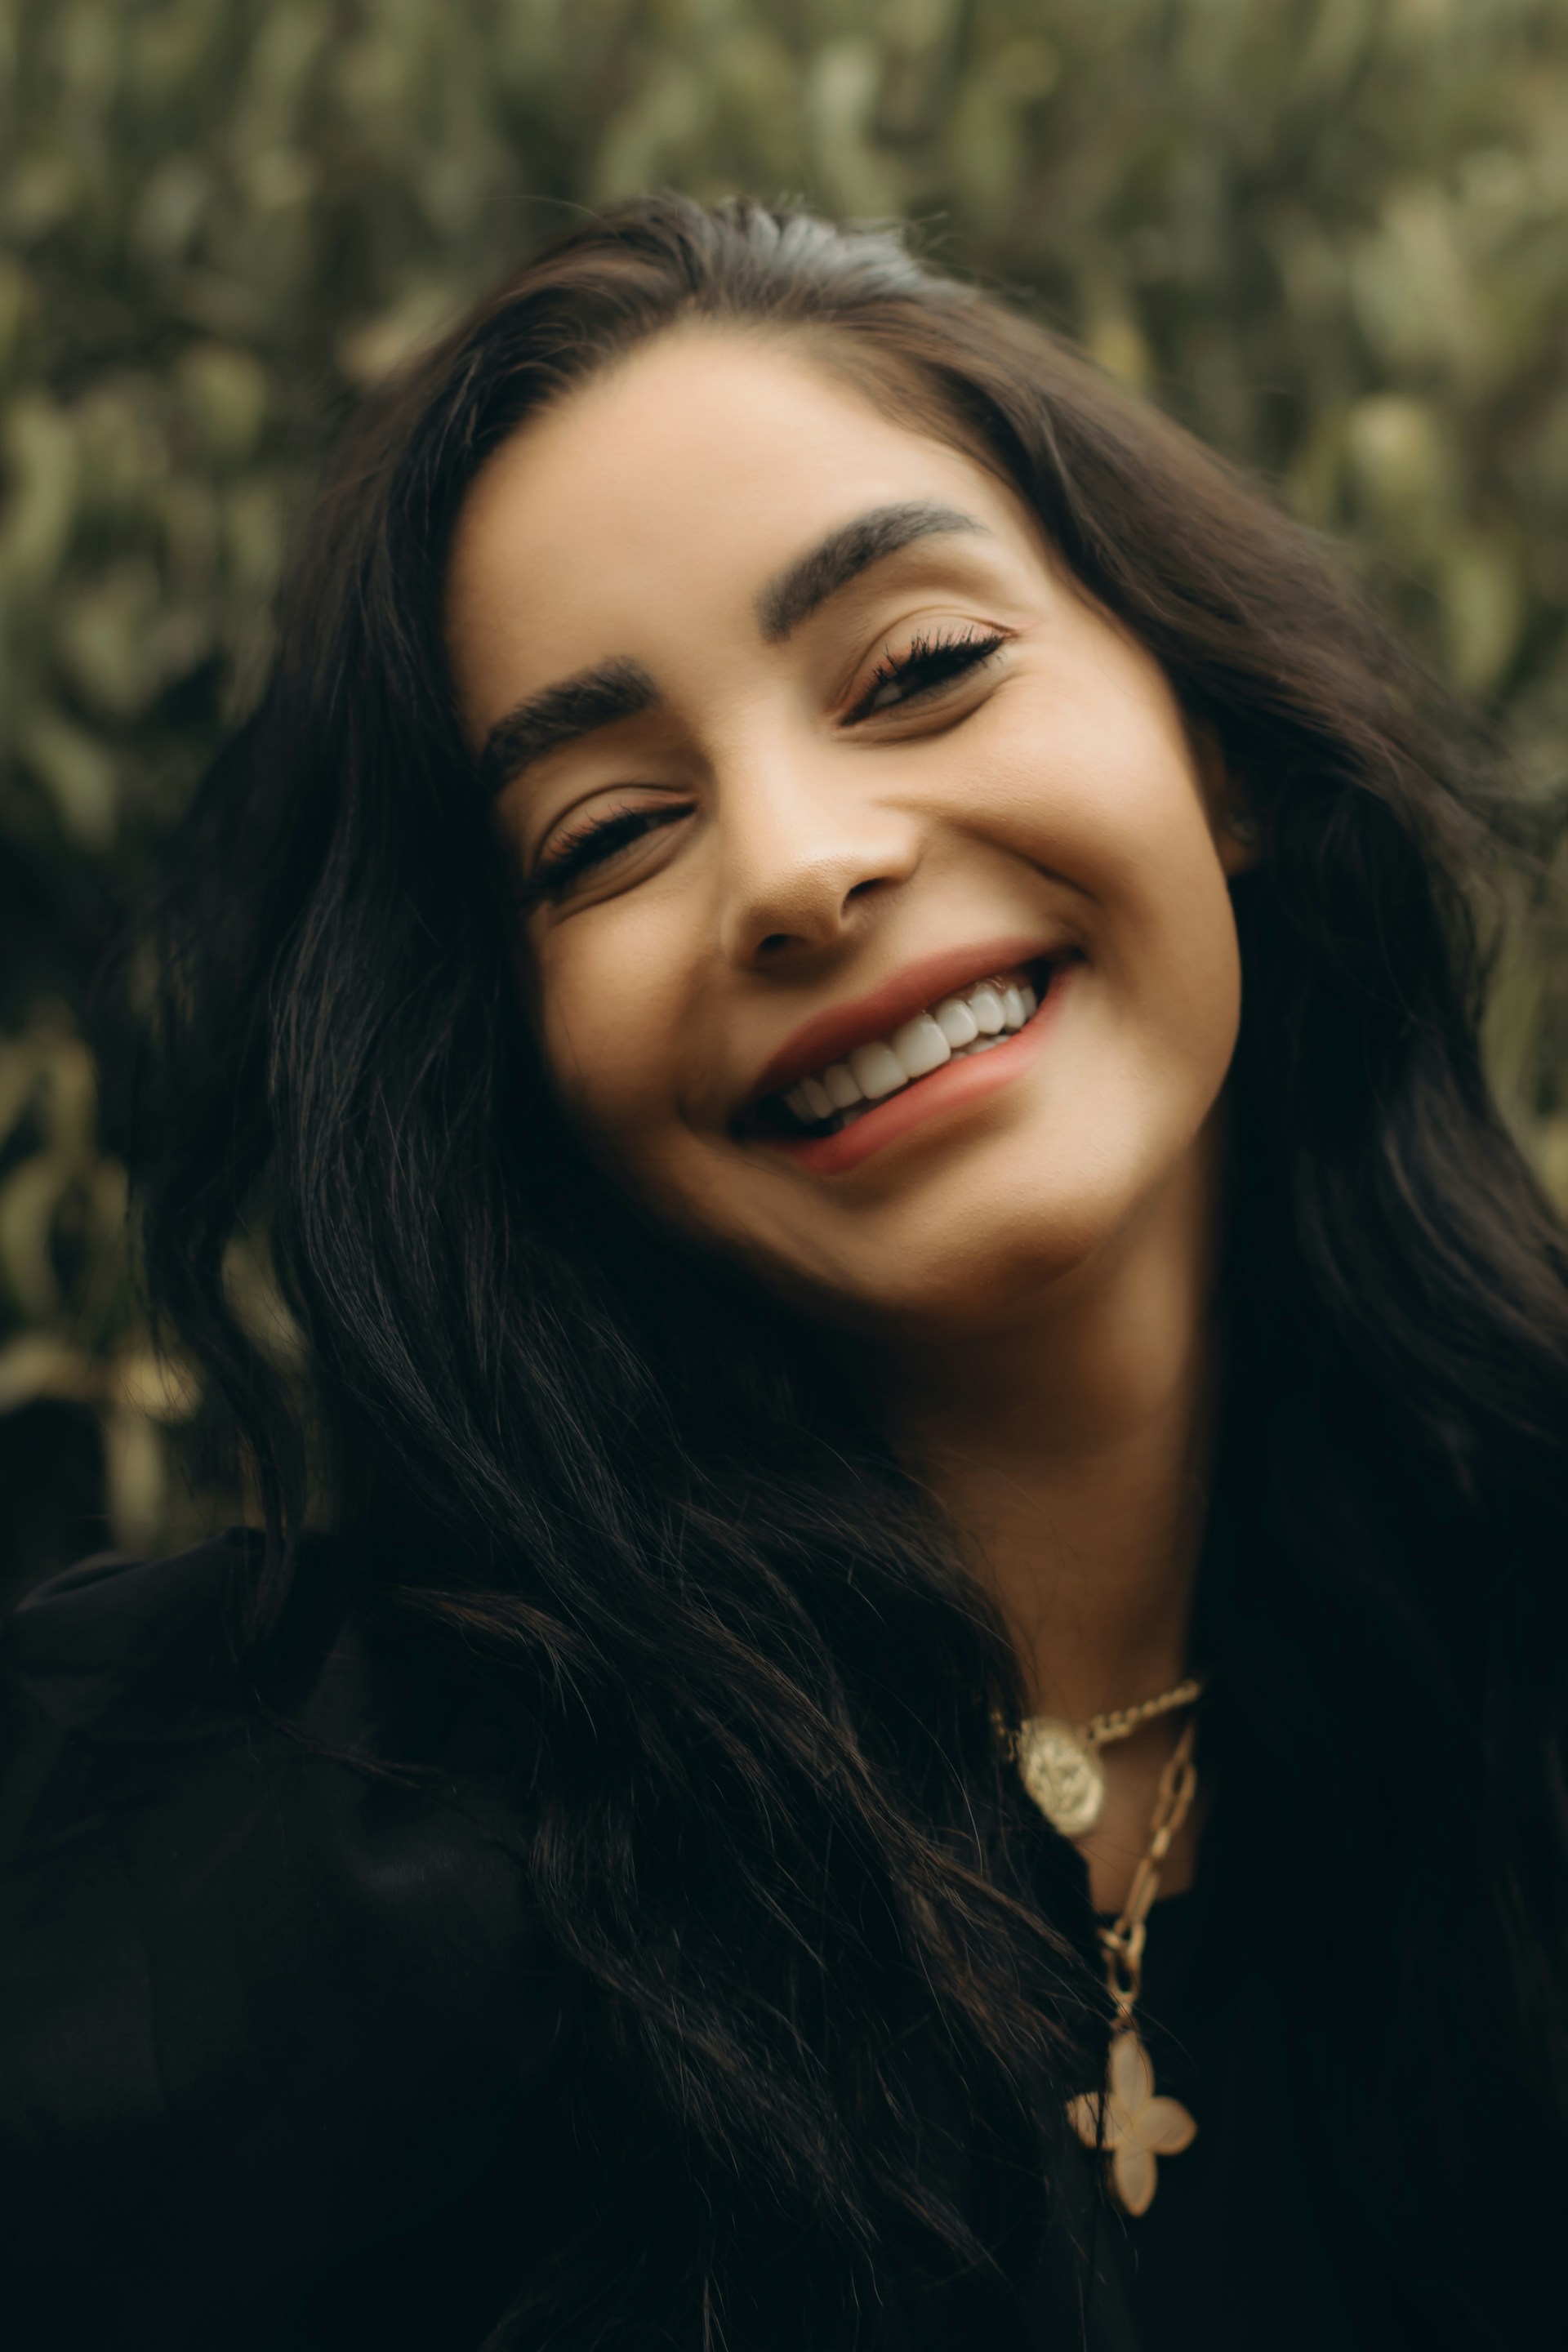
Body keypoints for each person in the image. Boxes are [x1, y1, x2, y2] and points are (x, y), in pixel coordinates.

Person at [3, 194, 1566, 2352]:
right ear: (517, 1066)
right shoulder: (267, 1889)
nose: (802, 868)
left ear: (1218, 747)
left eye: (918, 670)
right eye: (606, 834)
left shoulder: (1507, 1690)